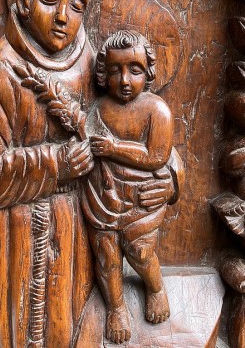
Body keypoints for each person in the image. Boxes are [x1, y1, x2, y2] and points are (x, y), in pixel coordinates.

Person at [0, 0, 177, 347]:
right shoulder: (2, 69)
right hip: (17, 231)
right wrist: (56, 161)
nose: (62, 16)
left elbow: (132, 125)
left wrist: (170, 177)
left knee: (77, 330)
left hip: (82, 227)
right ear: (22, 2)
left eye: (76, 4)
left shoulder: (93, 61)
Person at [81, 30, 178, 344]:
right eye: (115, 71)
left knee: (140, 250)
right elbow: (86, 140)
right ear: (103, 74)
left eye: (134, 70)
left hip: (141, 198)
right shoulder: (99, 109)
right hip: (104, 198)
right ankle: (116, 307)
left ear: (148, 71)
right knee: (106, 254)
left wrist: (113, 148)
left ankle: (155, 287)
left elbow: (157, 156)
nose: (124, 80)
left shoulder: (156, 111)